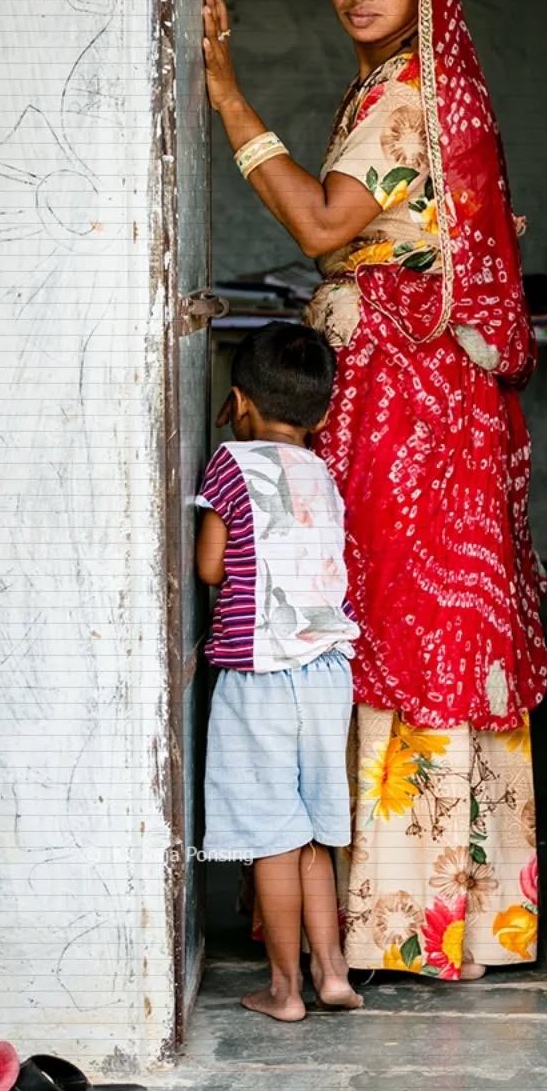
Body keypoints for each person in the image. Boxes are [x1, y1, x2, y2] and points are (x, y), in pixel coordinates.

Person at [200, 0, 547, 980]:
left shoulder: (403, 97)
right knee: (414, 626)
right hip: (433, 405)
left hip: (410, 417)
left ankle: (398, 922)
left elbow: (320, 226)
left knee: (391, 625)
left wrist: (227, 97)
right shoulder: (411, 86)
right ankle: (452, 919)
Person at [196, 320, 364, 1020]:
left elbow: (211, 566)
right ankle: (332, 973)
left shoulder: (230, 463)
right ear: (321, 415)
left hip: (260, 677)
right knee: (315, 836)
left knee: (272, 838)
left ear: (238, 402)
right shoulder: (323, 473)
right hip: (328, 675)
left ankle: (285, 989)